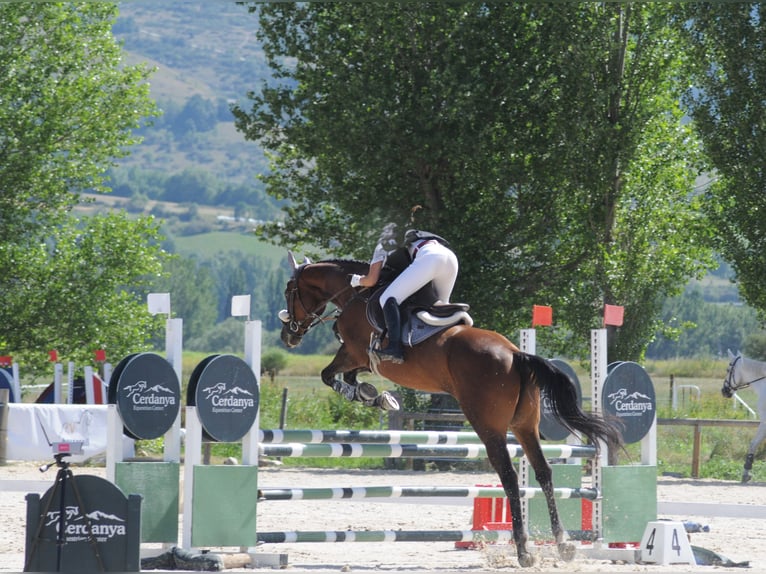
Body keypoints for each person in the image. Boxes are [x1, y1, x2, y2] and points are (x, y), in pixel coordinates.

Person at [350, 224, 459, 364]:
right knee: (441, 306)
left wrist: (356, 280)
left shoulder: (382, 244)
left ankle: (395, 348)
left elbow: (371, 280)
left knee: (387, 298)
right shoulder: (416, 236)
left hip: (429, 258)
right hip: (449, 257)